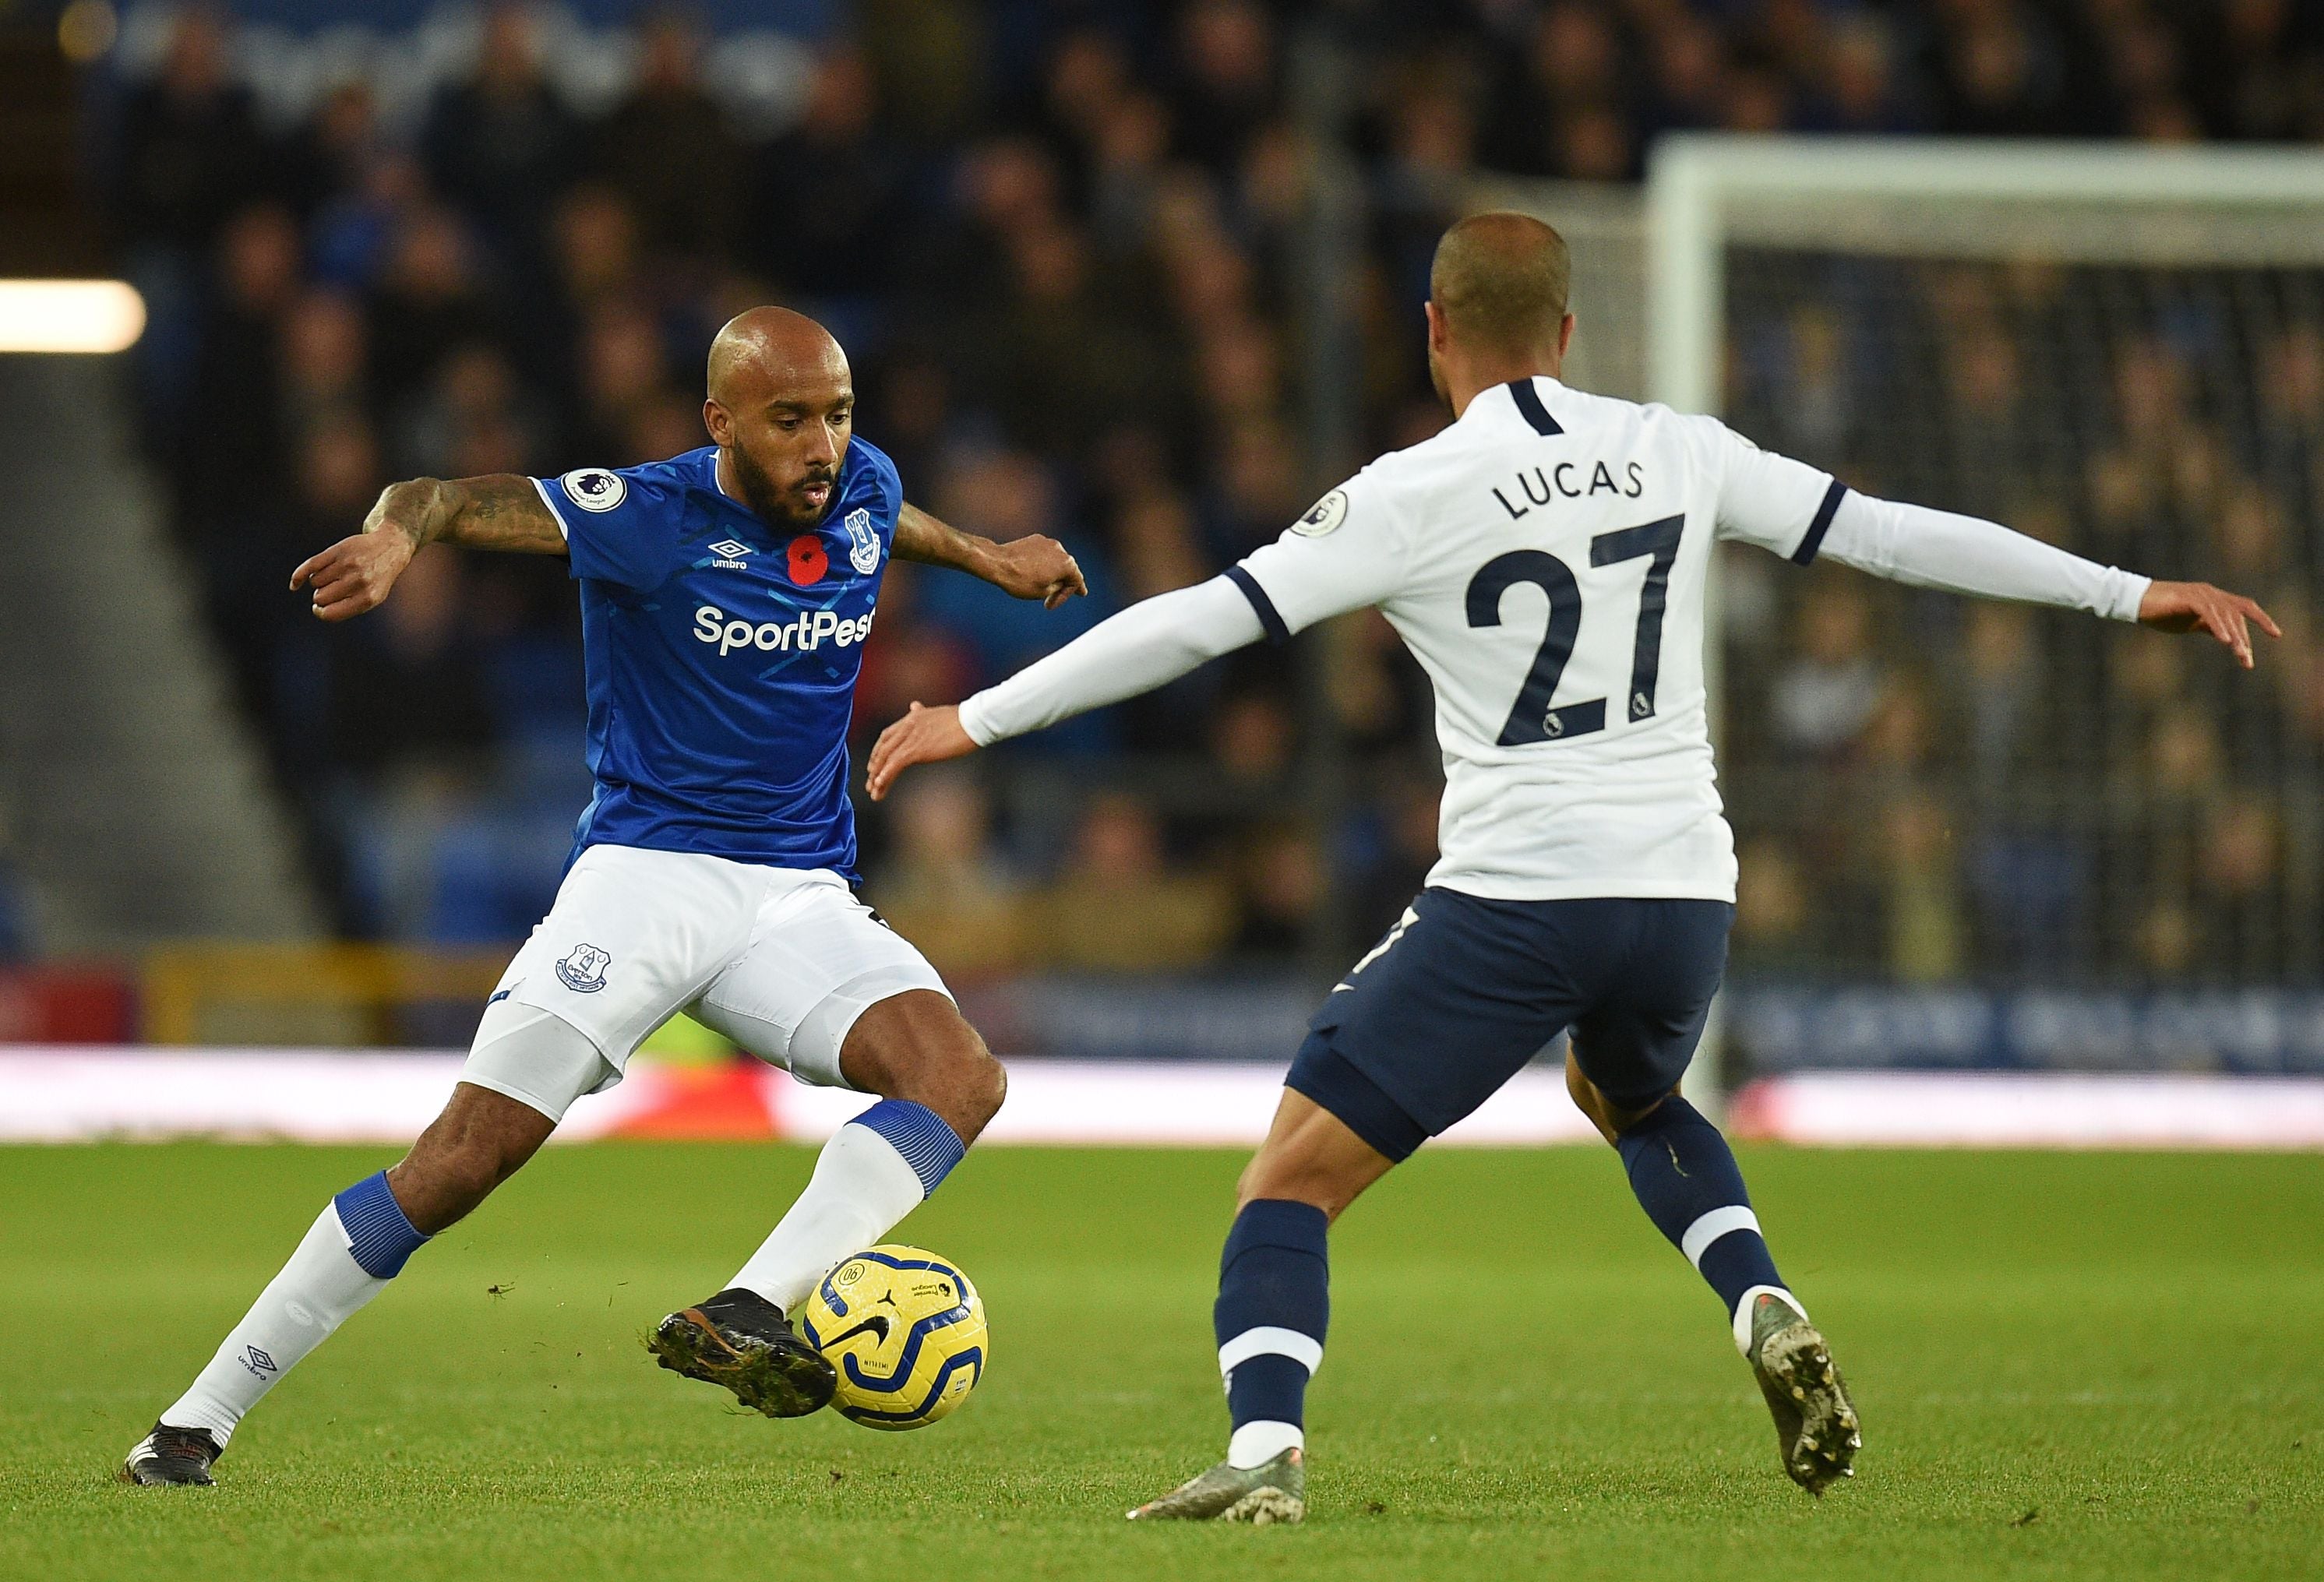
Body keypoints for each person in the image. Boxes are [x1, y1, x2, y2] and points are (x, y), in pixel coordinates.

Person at [865, 213, 2278, 1522]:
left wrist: (973, 716)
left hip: (1520, 895)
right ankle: (1763, 1304)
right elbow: (1895, 538)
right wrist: (2125, 590)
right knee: (1631, 1092)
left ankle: (1261, 1458)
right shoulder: (1680, 446)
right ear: (1568, 328)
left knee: (1289, 1183)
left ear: (1434, 331)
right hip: (1682, 890)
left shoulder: (1408, 491)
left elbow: (1198, 625)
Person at [122, 308, 1086, 1486]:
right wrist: (393, 536)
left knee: (960, 1078)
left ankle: (746, 1307)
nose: (821, 447)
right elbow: (441, 493)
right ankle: (192, 1423)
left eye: (836, 416)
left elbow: (893, 527)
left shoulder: (863, 487)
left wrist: (988, 555)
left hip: (797, 894)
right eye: (789, 422)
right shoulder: (649, 515)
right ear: (721, 424)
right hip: (644, 883)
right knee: (459, 1163)